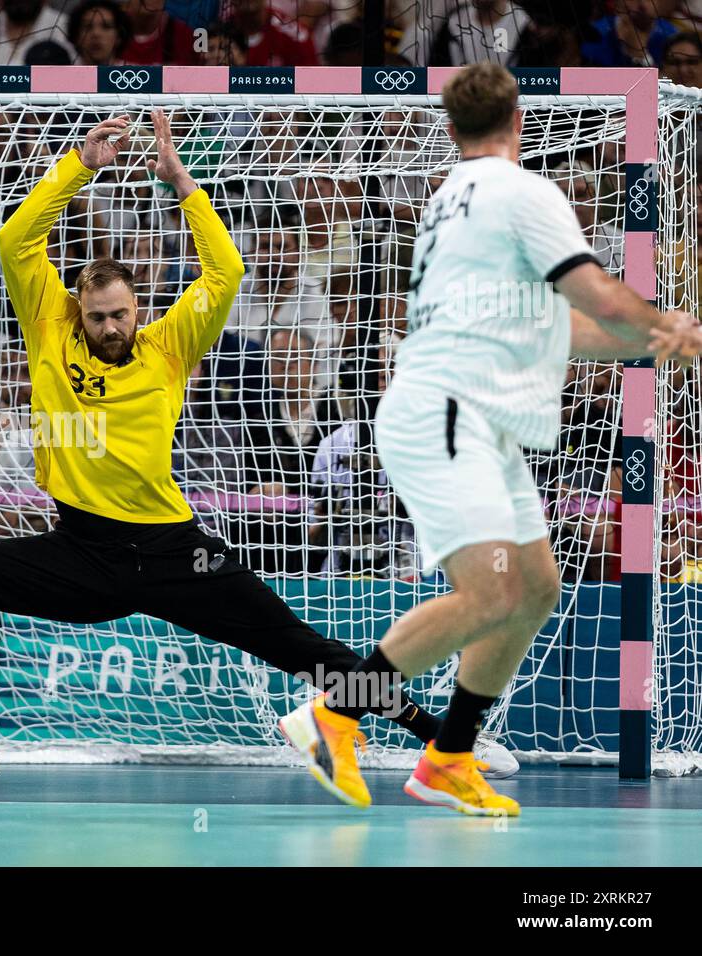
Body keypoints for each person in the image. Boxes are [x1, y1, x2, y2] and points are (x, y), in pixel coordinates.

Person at [0, 110, 517, 779]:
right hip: (79, 551)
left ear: (139, 310)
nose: (109, 327)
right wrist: (79, 167)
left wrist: (184, 183)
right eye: (97, 316)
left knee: (298, 646)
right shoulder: (50, 329)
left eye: (120, 314)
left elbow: (225, 269)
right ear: (77, 310)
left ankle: (447, 735)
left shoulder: (168, 345)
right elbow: (17, 241)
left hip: (173, 553)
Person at [279, 63, 702, 816]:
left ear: (451, 128)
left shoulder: (452, 202)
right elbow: (594, 294)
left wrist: (647, 344)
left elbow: (559, 328)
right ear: (519, 122)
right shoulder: (523, 192)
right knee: (489, 594)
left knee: (535, 589)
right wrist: (665, 321)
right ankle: (333, 711)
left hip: (478, 421)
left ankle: (448, 757)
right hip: (447, 415)